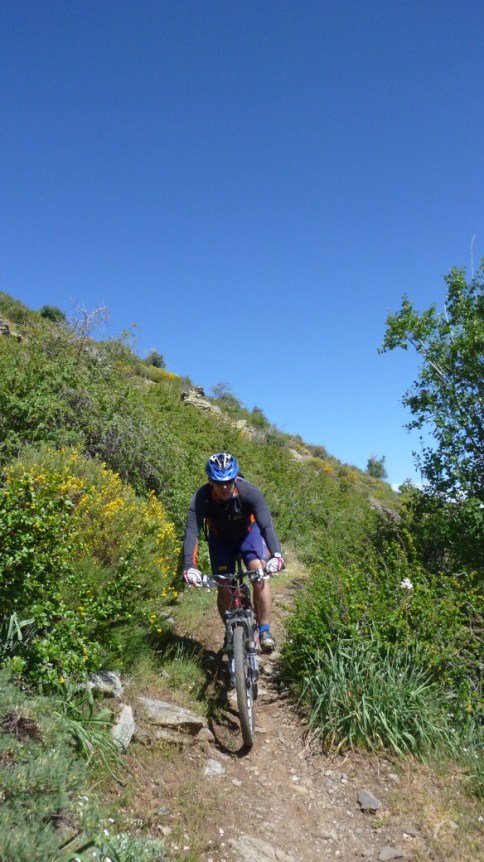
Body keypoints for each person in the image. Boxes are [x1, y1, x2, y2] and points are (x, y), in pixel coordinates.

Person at [182, 452, 285, 652]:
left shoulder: (249, 492)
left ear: (235, 478)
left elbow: (266, 525)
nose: (225, 487)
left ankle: (264, 630)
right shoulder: (201, 498)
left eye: (229, 481)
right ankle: (230, 630)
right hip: (220, 539)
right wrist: (189, 566)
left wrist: (276, 555)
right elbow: (192, 532)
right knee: (224, 585)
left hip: (249, 535)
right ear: (210, 481)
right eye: (219, 483)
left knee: (258, 573)